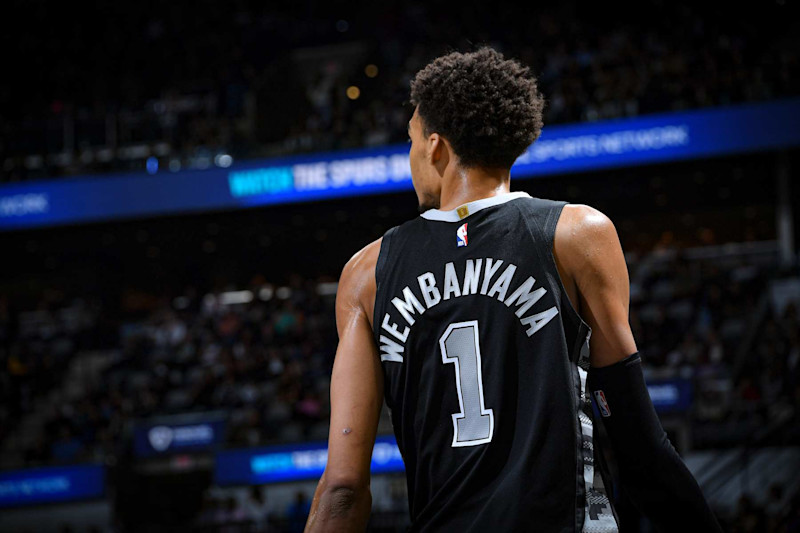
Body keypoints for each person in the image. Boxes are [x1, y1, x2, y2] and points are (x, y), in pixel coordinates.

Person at [304, 47, 721, 532]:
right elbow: (637, 441)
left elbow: (342, 489)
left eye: (412, 140)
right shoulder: (577, 234)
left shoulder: (365, 274)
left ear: (436, 147)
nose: (411, 156)